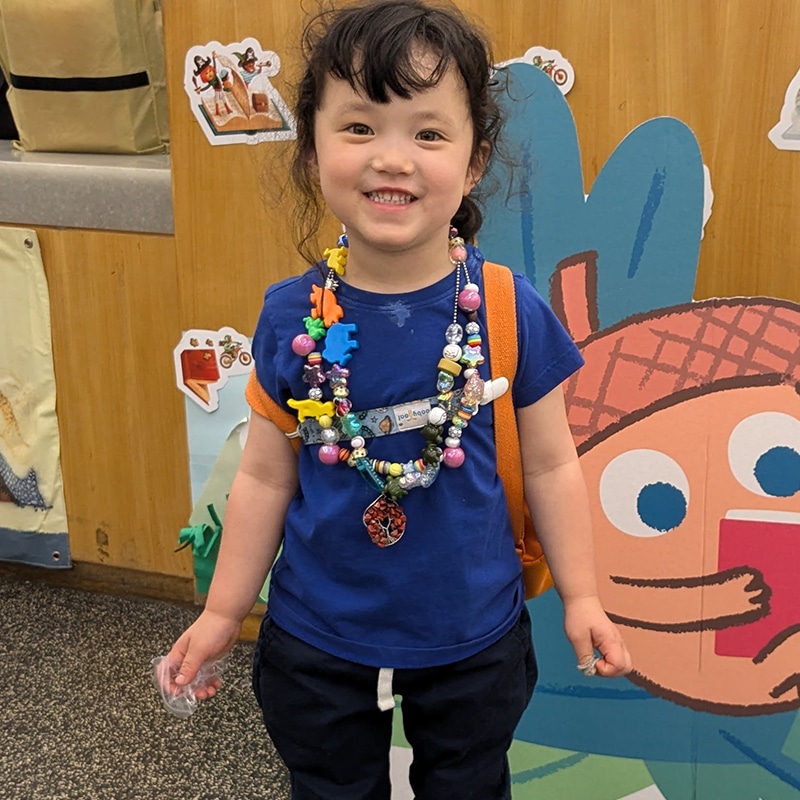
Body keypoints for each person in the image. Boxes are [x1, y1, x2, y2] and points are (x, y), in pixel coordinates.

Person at [164, 1, 632, 797]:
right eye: (358, 128)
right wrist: (220, 614)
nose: (393, 159)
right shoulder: (291, 316)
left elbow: (553, 466)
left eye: (427, 133)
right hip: (317, 638)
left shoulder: (508, 308)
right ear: (312, 147)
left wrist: (582, 596)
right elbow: (265, 480)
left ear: (475, 159)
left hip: (471, 638)